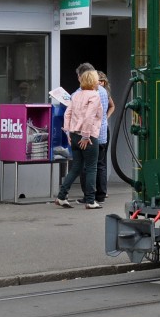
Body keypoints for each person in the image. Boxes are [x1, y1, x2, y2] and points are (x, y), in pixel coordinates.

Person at [55, 68, 104, 210]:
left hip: (74, 134)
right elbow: (89, 116)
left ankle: (62, 196)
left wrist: (69, 133)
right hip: (87, 136)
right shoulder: (94, 96)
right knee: (91, 168)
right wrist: (86, 136)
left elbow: (67, 114)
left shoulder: (75, 95)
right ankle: (90, 201)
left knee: (76, 167)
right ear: (93, 81)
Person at [94, 70, 116, 204]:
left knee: (99, 163)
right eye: (99, 80)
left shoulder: (102, 93)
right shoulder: (102, 92)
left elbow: (113, 106)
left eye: (102, 81)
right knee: (99, 162)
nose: (101, 83)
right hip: (102, 129)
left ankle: (102, 191)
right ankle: (101, 192)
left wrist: (105, 117)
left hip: (99, 129)